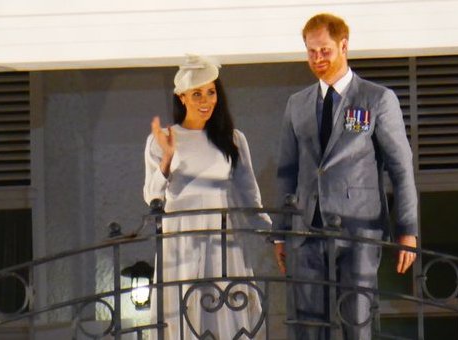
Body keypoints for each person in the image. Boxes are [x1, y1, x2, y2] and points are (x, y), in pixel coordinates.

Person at [273, 13, 419, 339]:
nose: (317, 59)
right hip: (307, 229)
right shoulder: (297, 104)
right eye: (311, 52)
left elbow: (400, 167)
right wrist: (281, 232)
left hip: (359, 229)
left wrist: (407, 229)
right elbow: (287, 170)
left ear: (343, 46)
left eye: (324, 50)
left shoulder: (377, 98)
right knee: (308, 326)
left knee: (358, 322)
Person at [143, 55, 269, 340]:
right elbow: (152, 197)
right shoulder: (163, 138)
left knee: (226, 312)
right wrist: (167, 158)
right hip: (181, 241)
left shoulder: (233, 139)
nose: (206, 99)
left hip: (222, 240)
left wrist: (274, 235)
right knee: (183, 313)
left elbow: (250, 197)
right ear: (182, 97)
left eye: (211, 92)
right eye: (197, 93)